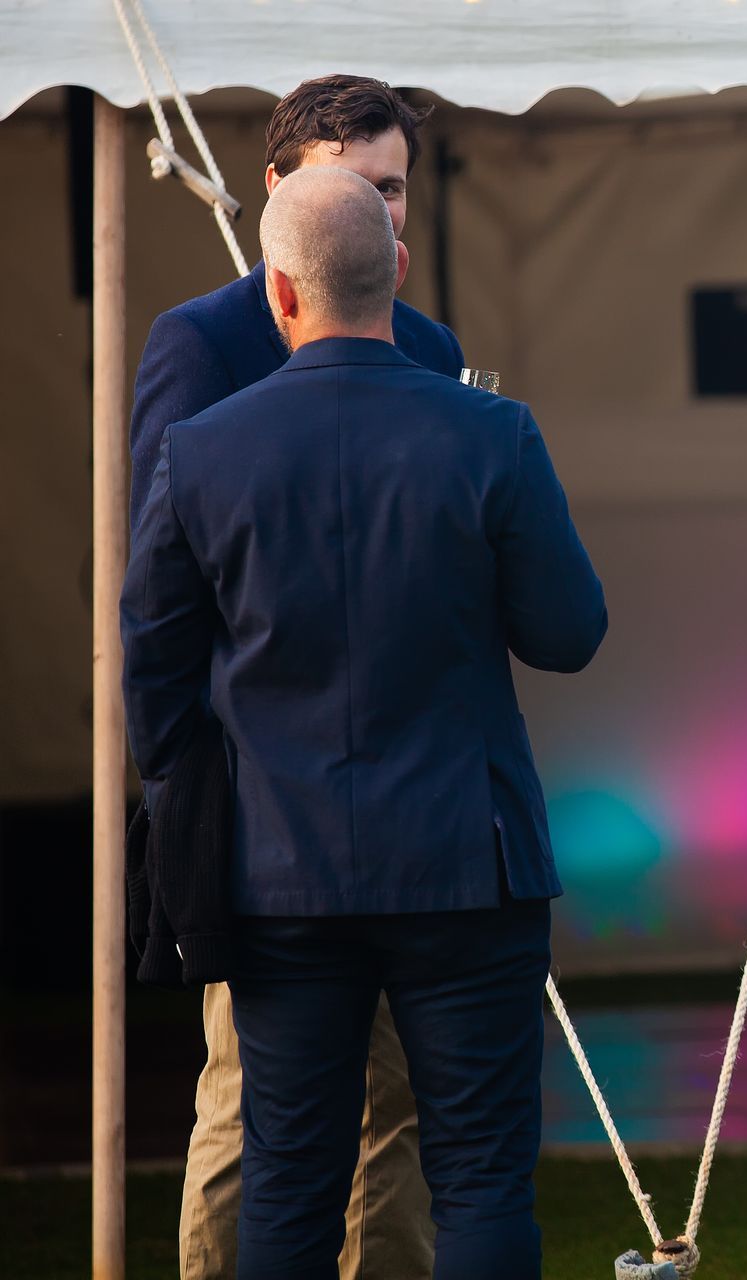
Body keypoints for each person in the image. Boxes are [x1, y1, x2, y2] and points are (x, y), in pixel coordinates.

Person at [121, 166, 606, 1279]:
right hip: (467, 869)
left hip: (282, 872)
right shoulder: (494, 433)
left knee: (288, 1180)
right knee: (481, 1178)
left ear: (279, 293)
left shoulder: (203, 453)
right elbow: (570, 630)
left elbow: (151, 655)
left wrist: (204, 786)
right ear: (396, 268)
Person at [127, 74, 462, 1280]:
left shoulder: (431, 349)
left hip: (412, 808)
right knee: (251, 1102)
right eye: (353, 188)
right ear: (275, 195)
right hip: (260, 807)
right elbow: (155, 597)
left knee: (402, 1106)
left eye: (393, 191)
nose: (379, 217)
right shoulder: (201, 341)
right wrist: (184, 792)